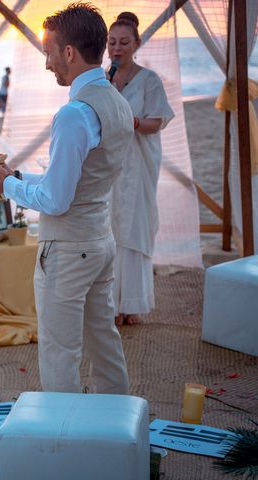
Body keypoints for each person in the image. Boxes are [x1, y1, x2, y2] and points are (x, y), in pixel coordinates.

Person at [0, 3, 132, 394]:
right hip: (100, 241)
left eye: (49, 52)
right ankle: (118, 427)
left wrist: (6, 187)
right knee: (104, 341)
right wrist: (17, 176)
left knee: (61, 351)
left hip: (68, 249)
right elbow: (79, 180)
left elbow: (57, 200)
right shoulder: (119, 104)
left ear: (68, 52)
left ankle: (66, 441)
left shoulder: (74, 114)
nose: (47, 63)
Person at [107, 12, 174, 326]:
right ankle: (110, 304)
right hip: (109, 168)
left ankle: (131, 303)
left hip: (140, 164)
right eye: (112, 43)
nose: (117, 48)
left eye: (123, 42)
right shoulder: (102, 79)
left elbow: (156, 122)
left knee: (134, 227)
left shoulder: (149, 80)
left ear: (136, 44)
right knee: (109, 230)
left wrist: (132, 121)